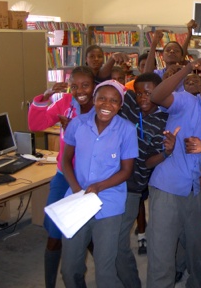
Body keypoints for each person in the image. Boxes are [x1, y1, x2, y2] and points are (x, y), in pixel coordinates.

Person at [146, 56, 201, 288]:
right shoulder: (186, 102)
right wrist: (188, 67)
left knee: (198, 248)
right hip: (167, 188)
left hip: (193, 189)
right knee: (162, 254)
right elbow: (156, 96)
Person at [60, 79, 138, 288]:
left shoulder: (127, 130)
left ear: (120, 106)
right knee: (69, 268)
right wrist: (77, 189)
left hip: (109, 204)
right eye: (101, 98)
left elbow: (126, 171)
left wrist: (98, 187)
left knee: (105, 270)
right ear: (94, 100)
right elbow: (65, 160)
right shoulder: (77, 124)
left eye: (114, 101)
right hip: (77, 200)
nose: (106, 105)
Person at [27, 66, 95, 288]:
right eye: (74, 86)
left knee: (92, 237)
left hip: (91, 179)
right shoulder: (65, 103)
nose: (79, 91)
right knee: (54, 232)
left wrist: (76, 128)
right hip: (64, 176)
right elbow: (36, 125)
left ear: (94, 86)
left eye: (85, 85)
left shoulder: (104, 105)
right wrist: (44, 98)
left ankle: (110, 274)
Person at [115, 72, 170, 287]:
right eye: (139, 93)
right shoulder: (129, 105)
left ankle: (131, 283)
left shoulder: (163, 121)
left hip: (133, 186)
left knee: (118, 241)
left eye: (149, 93)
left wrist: (167, 153)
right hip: (109, 181)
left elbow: (148, 163)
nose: (143, 98)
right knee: (108, 237)